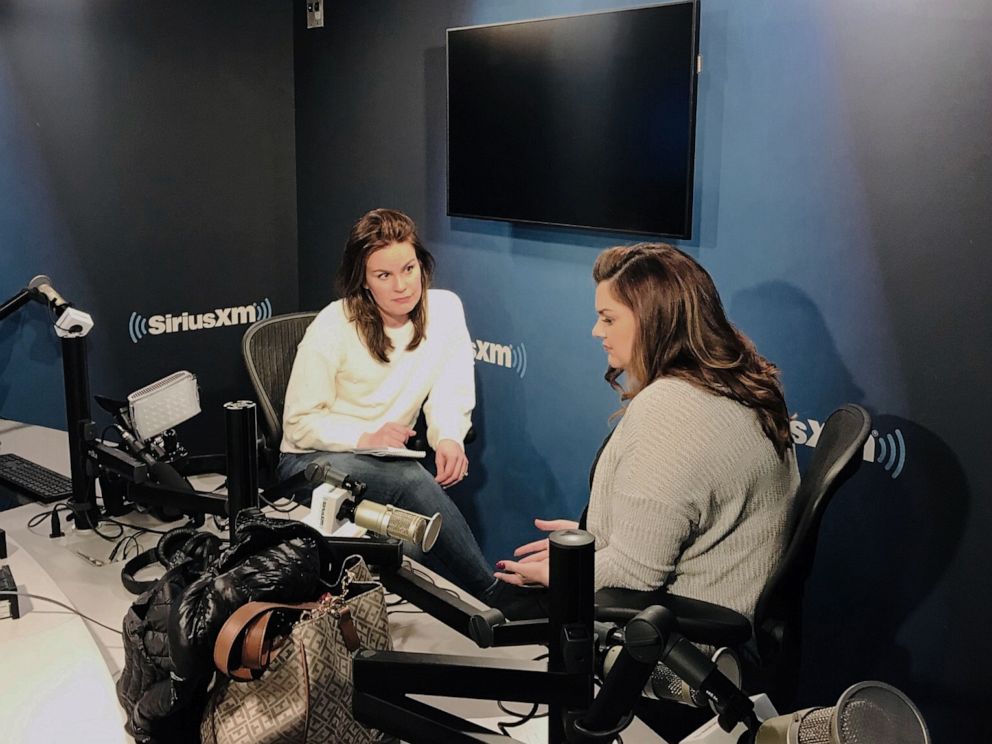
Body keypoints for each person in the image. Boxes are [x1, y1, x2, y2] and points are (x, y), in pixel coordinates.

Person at [494, 243, 800, 627]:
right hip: (717, 615)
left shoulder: (671, 411)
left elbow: (636, 574)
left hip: (677, 648)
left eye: (608, 319)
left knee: (504, 609)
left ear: (651, 320)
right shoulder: (735, 383)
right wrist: (596, 534)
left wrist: (557, 572)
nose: (596, 331)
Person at [278, 208, 497, 599]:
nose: (402, 286)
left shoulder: (445, 310)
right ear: (363, 280)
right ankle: (492, 594)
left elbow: (451, 386)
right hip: (309, 463)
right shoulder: (334, 324)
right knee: (409, 481)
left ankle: (467, 625)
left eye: (409, 269)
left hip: (385, 462)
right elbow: (299, 423)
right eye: (384, 276)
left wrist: (449, 437)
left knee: (409, 542)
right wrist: (365, 435)